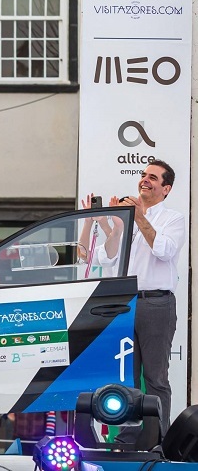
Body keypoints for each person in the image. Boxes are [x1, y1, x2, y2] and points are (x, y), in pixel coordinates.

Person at [94, 160, 185, 440]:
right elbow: (106, 257)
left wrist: (139, 217)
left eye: (153, 177)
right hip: (126, 303)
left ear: (165, 188)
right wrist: (115, 227)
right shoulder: (127, 217)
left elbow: (164, 251)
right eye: (144, 175)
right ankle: (128, 437)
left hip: (157, 303)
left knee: (156, 378)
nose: (145, 180)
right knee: (127, 377)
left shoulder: (173, 219)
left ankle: (158, 440)